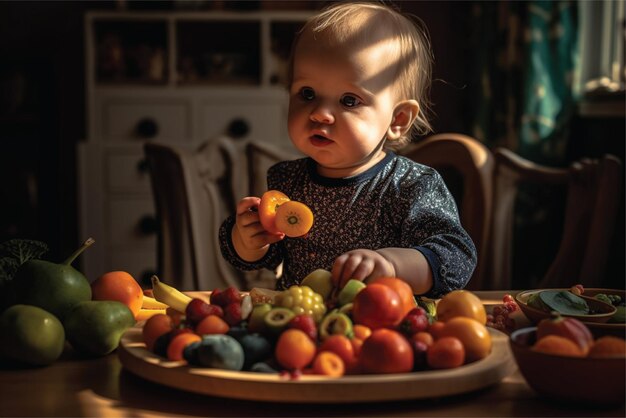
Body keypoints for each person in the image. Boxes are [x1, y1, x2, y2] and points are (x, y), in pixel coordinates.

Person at [219, 1, 476, 298]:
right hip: (299, 330)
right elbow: (264, 257)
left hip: (382, 330)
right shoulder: (286, 180)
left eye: (349, 100)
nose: (319, 113)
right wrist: (248, 240)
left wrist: (392, 265)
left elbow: (456, 258)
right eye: (307, 93)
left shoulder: (411, 185)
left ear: (398, 119)